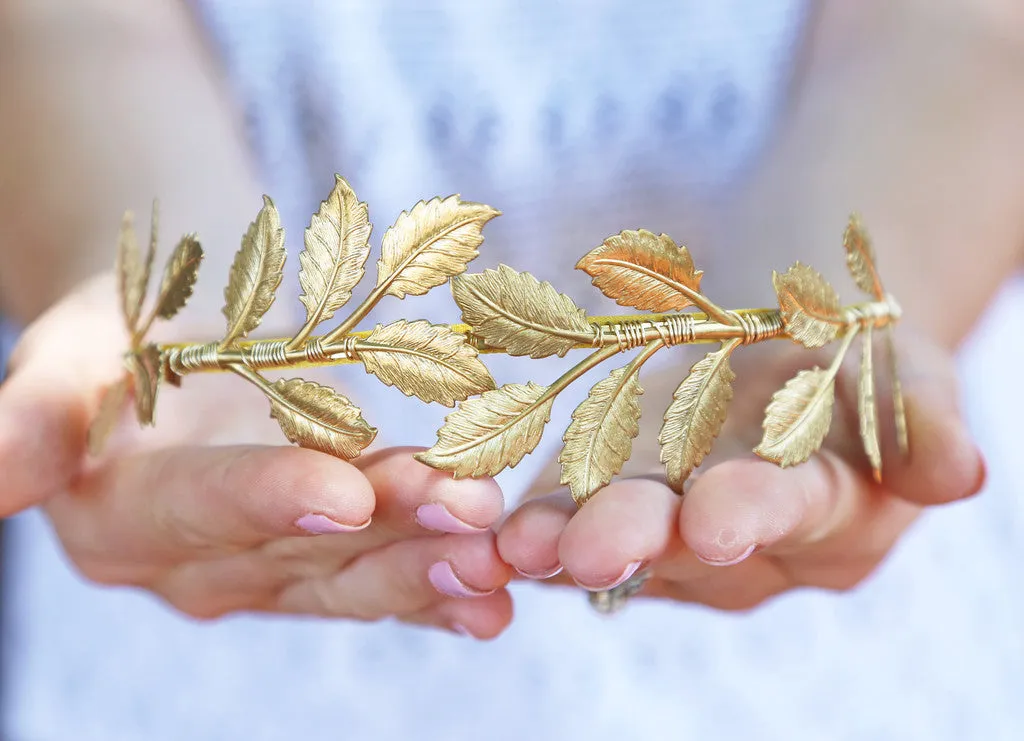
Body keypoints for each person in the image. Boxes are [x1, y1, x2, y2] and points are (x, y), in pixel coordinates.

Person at [1, 0, 1022, 738]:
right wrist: (125, 268)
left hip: (860, 664)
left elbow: (962, 29)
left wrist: (860, 284)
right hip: (202, 662)